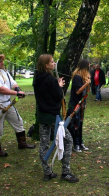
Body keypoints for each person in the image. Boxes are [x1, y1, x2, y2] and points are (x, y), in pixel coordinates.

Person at [33, 54, 79, 183]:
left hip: (42, 115)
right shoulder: (50, 79)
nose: (54, 64)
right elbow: (58, 96)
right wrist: (59, 86)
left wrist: (57, 85)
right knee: (68, 140)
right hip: (53, 117)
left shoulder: (37, 78)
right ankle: (66, 172)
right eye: (52, 62)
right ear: (46, 65)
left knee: (44, 143)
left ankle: (47, 172)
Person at [0, 51, 35, 157]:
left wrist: (17, 88)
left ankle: (22, 143)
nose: (2, 63)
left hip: (8, 104)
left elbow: (12, 82)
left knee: (18, 122)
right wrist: (17, 93)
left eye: (2, 60)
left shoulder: (4, 72)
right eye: (0, 61)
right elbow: (1, 90)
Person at [67, 59, 91, 153]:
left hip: (82, 104)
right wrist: (86, 84)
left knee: (80, 123)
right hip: (75, 104)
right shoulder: (77, 77)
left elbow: (87, 92)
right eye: (88, 66)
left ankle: (80, 142)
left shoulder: (84, 77)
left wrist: (88, 83)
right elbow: (77, 91)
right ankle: (76, 144)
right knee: (75, 124)